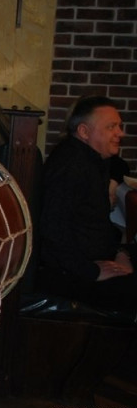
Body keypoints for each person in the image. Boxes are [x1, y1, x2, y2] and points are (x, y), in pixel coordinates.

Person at [38, 95, 137, 313]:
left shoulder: (90, 159)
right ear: (84, 132)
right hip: (71, 275)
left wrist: (121, 253)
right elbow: (51, 231)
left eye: (119, 126)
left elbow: (96, 227)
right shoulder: (70, 167)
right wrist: (93, 271)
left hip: (93, 260)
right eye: (111, 127)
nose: (120, 133)